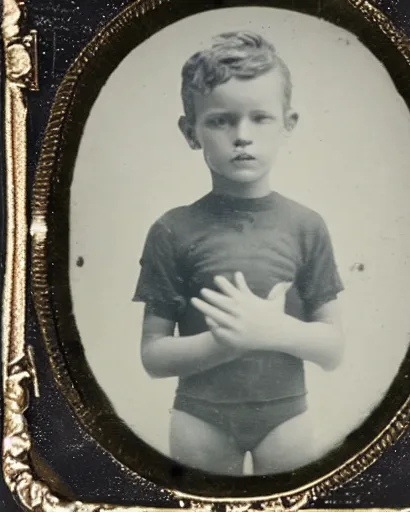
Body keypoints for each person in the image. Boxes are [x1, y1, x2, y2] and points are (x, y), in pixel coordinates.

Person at [133, 31, 344, 476]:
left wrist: (272, 331)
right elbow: (153, 355)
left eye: (261, 118)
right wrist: (223, 344)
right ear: (190, 132)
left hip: (287, 418)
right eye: (221, 120)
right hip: (200, 420)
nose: (242, 136)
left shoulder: (307, 225)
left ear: (288, 123)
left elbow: (332, 348)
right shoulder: (171, 230)